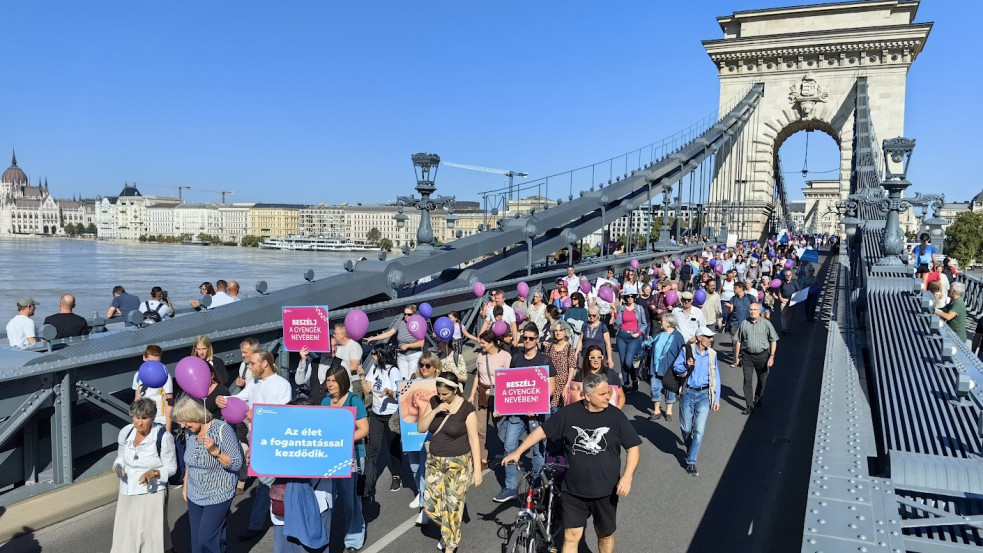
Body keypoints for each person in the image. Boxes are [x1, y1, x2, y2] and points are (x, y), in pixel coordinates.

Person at [502, 372, 641, 553]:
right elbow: (542, 431)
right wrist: (518, 452)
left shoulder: (616, 416)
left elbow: (633, 448)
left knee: (604, 534)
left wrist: (627, 477)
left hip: (605, 491)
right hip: (573, 491)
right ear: (587, 396)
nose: (608, 396)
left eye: (608, 392)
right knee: (571, 536)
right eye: (602, 394)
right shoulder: (569, 414)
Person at [215, 349, 292, 540]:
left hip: (274, 441)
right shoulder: (255, 383)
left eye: (253, 363)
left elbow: (282, 414)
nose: (250, 367)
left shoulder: (282, 385)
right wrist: (223, 399)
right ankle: (278, 520)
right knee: (267, 483)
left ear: (265, 364)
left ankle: (259, 524)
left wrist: (256, 416)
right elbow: (239, 398)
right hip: (255, 439)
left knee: (267, 484)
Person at [419, 372, 482, 553]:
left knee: (453, 507)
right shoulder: (434, 402)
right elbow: (421, 427)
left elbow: (474, 439)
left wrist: (477, 470)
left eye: (445, 394)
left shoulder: (466, 409)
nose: (441, 396)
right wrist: (436, 410)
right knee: (431, 508)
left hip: (459, 463)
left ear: (455, 390)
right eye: (439, 393)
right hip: (434, 462)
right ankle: (448, 530)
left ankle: (450, 545)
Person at [495, 323, 557, 503]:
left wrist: (536, 404)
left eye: (531, 338)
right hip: (517, 413)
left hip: (536, 414)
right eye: (525, 338)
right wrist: (501, 405)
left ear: (537, 339)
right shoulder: (516, 358)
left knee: (538, 451)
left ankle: (536, 485)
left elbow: (551, 388)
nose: (527, 341)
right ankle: (510, 487)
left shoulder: (545, 360)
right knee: (509, 446)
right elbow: (510, 384)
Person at [173, 397, 243, 553]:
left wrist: (215, 451)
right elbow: (189, 462)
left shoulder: (222, 429)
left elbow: (236, 463)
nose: (183, 426)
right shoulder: (190, 433)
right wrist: (185, 486)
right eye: (181, 423)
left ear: (195, 415)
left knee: (207, 539)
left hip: (218, 493)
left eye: (185, 421)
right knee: (197, 541)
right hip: (195, 493)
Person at [110, 398, 178, 553]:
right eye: (136, 417)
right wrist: (117, 466)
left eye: (144, 418)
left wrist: (154, 473)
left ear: (152, 418)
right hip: (127, 490)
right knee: (126, 533)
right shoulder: (126, 432)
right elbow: (120, 456)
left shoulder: (163, 437)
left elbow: (172, 468)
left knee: (148, 536)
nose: (139, 422)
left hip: (151, 493)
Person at [321, 364, 369, 552]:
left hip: (352, 458)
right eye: (328, 380)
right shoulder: (325, 403)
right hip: (330, 457)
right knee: (326, 500)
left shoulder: (353, 401)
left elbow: (364, 430)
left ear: (342, 382)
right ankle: (325, 537)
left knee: (351, 502)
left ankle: (354, 538)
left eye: (333, 381)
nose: (330, 384)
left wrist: (342, 440)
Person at [673, 327, 721, 476]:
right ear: (700, 337)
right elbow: (676, 368)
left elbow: (716, 377)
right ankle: (690, 445)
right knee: (686, 428)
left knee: (699, 431)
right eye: (708, 337)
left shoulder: (712, 354)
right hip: (688, 392)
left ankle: (691, 462)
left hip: (704, 395)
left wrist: (716, 398)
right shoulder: (687, 350)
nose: (711, 340)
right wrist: (686, 365)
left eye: (712, 337)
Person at [359, 343, 403, 498]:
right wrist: (362, 376)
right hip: (376, 414)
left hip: (391, 416)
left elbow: (400, 394)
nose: (372, 357)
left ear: (381, 355)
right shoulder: (374, 368)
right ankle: (368, 485)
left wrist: (390, 392)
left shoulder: (393, 371)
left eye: (374, 354)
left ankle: (396, 475)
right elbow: (366, 390)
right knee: (372, 449)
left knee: (393, 447)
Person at [405, 352, 441, 524]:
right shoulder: (411, 382)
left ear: (435, 367)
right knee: (414, 468)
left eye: (427, 365)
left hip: (431, 433)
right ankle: (423, 496)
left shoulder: (440, 385)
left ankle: (424, 509)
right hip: (412, 431)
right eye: (421, 364)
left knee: (425, 471)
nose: (424, 368)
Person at [469, 329, 511, 469]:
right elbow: (477, 377)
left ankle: (508, 452)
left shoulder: (505, 356)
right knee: (480, 428)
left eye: (483, 343)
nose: (481, 346)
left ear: (492, 343)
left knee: (500, 426)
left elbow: (508, 378)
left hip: (498, 394)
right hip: (481, 393)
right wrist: (471, 394)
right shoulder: (481, 356)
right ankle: (482, 458)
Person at [734, 303, 779, 415]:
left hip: (762, 356)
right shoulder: (744, 324)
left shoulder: (766, 324)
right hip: (747, 356)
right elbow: (738, 340)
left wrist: (772, 356)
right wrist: (736, 357)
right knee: (747, 380)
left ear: (759, 311)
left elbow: (773, 340)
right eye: (751, 310)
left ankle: (758, 397)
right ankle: (749, 405)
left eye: (755, 310)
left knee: (762, 380)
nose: (752, 311)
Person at [365, 304, 425, 379]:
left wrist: (408, 346)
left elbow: (421, 343)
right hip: (402, 356)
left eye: (409, 314)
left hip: (414, 355)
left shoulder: (418, 324)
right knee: (403, 379)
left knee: (412, 378)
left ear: (414, 314)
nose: (406, 316)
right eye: (405, 314)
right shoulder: (400, 323)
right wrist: (373, 338)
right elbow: (389, 333)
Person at [647, 313, 686, 422]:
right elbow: (650, 344)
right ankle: (657, 411)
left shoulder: (678, 337)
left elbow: (682, 353)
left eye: (663, 321)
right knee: (654, 387)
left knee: (669, 389)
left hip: (669, 368)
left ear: (668, 323)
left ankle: (669, 411)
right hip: (656, 367)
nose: (661, 322)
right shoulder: (658, 334)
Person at [572, 345, 626, 409]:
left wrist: (616, 412)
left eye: (599, 357)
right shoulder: (580, 375)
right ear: (587, 359)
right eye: (592, 357)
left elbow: (621, 396)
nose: (596, 360)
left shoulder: (611, 374)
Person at [133, 345, 173, 431]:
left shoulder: (164, 376)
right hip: (144, 419)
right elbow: (137, 398)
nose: (153, 367)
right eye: (150, 362)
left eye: (156, 363)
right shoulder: (138, 375)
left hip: (160, 420)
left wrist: (168, 430)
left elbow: (168, 403)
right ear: (144, 358)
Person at [613, 292, 648, 391]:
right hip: (622, 336)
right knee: (622, 361)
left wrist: (639, 333)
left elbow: (644, 323)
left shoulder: (639, 308)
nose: (630, 298)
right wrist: (615, 312)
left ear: (634, 298)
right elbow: (618, 322)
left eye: (632, 296)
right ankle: (626, 384)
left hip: (633, 337)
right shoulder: (622, 308)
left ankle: (634, 379)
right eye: (627, 297)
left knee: (628, 362)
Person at [543, 322, 577, 411]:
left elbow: (571, 368)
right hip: (551, 384)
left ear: (566, 332)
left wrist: (567, 385)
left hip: (563, 385)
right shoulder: (549, 347)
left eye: (561, 330)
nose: (558, 333)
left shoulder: (570, 348)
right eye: (556, 330)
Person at [726, 282, 753, 367]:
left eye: (735, 288)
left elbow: (755, 308)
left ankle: (745, 359)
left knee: (746, 344)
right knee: (735, 343)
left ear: (741, 288)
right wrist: (730, 308)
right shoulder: (733, 299)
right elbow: (729, 312)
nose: (734, 290)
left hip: (747, 324)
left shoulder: (750, 298)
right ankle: (735, 361)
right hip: (735, 324)